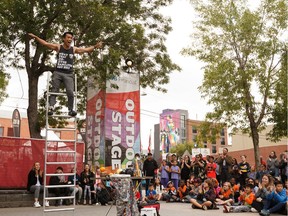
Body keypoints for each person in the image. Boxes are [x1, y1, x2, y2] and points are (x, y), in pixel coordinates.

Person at [28, 32, 103, 116]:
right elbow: (45, 43)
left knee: (70, 92)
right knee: (54, 90)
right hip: (58, 72)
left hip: (68, 74)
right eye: (68, 37)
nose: (70, 39)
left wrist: (95, 46)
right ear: (64, 39)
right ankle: (51, 107)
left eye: (71, 38)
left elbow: (85, 50)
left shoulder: (73, 49)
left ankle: (70, 109)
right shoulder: (58, 47)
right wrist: (35, 37)